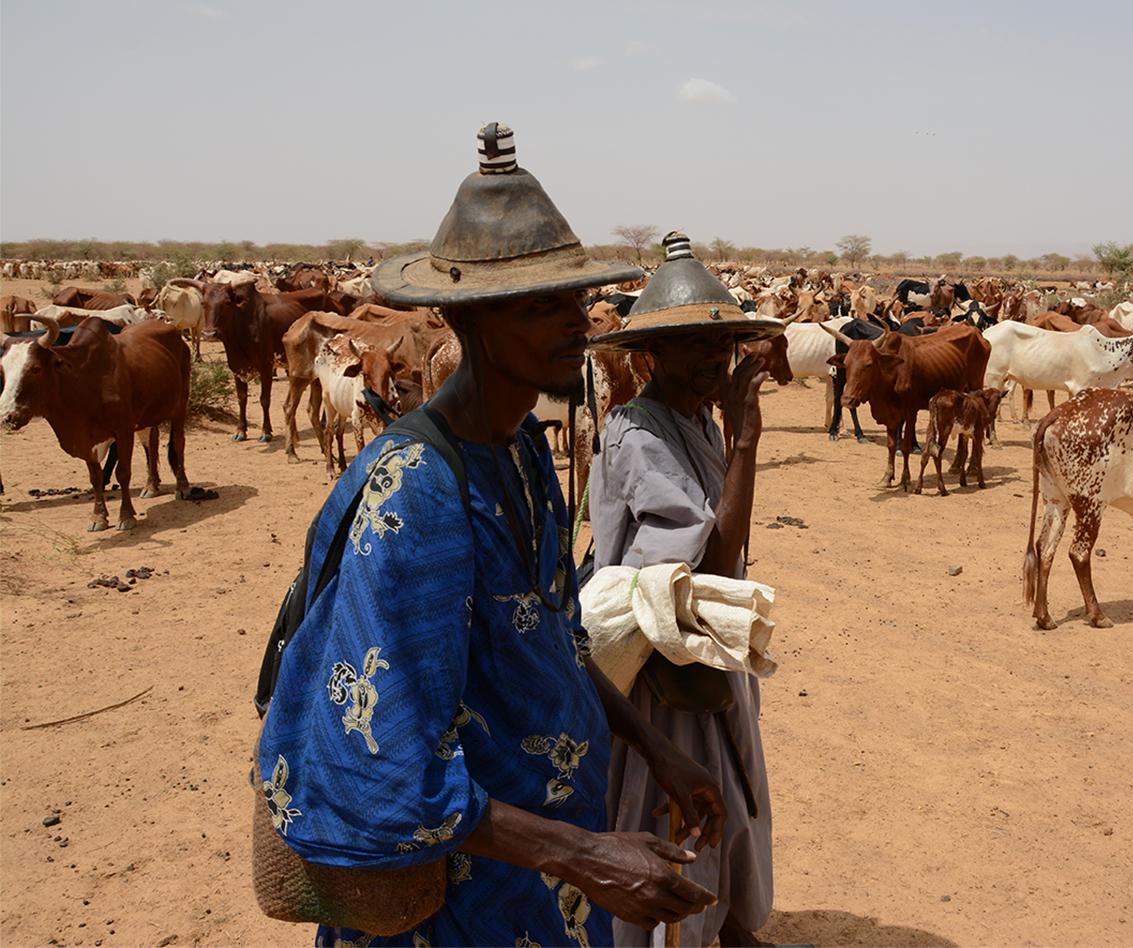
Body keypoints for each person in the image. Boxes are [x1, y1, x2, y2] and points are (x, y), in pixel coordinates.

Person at [256, 125, 727, 947]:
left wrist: (656, 747)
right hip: (456, 910)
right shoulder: (420, 494)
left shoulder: (521, 451)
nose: (576, 323)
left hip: (540, 894)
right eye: (542, 306)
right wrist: (585, 854)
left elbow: (556, 640)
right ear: (467, 320)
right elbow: (383, 764)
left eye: (575, 299)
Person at [587, 232, 784, 948]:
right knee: (674, 796)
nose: (714, 364)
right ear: (650, 356)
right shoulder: (637, 433)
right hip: (660, 663)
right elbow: (715, 557)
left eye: (723, 348)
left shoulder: (695, 417)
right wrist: (747, 441)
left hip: (705, 644)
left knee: (731, 785)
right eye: (696, 350)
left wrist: (729, 433)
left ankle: (730, 925)